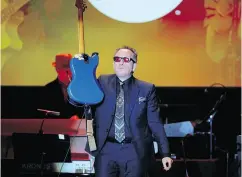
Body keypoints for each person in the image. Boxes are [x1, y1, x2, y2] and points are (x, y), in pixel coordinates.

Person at [85, 46, 173, 177]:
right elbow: (81, 100)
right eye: (117, 59)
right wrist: (81, 74)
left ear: (134, 66)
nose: (120, 62)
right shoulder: (102, 82)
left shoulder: (146, 89)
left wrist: (165, 153)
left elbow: (155, 122)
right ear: (113, 63)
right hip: (106, 149)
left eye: (126, 59)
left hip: (134, 150)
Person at [38, 53, 82, 119]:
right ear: (57, 68)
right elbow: (45, 115)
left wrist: (78, 117)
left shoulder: (81, 88)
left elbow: (88, 111)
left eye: (70, 66)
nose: (68, 69)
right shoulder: (48, 89)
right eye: (65, 66)